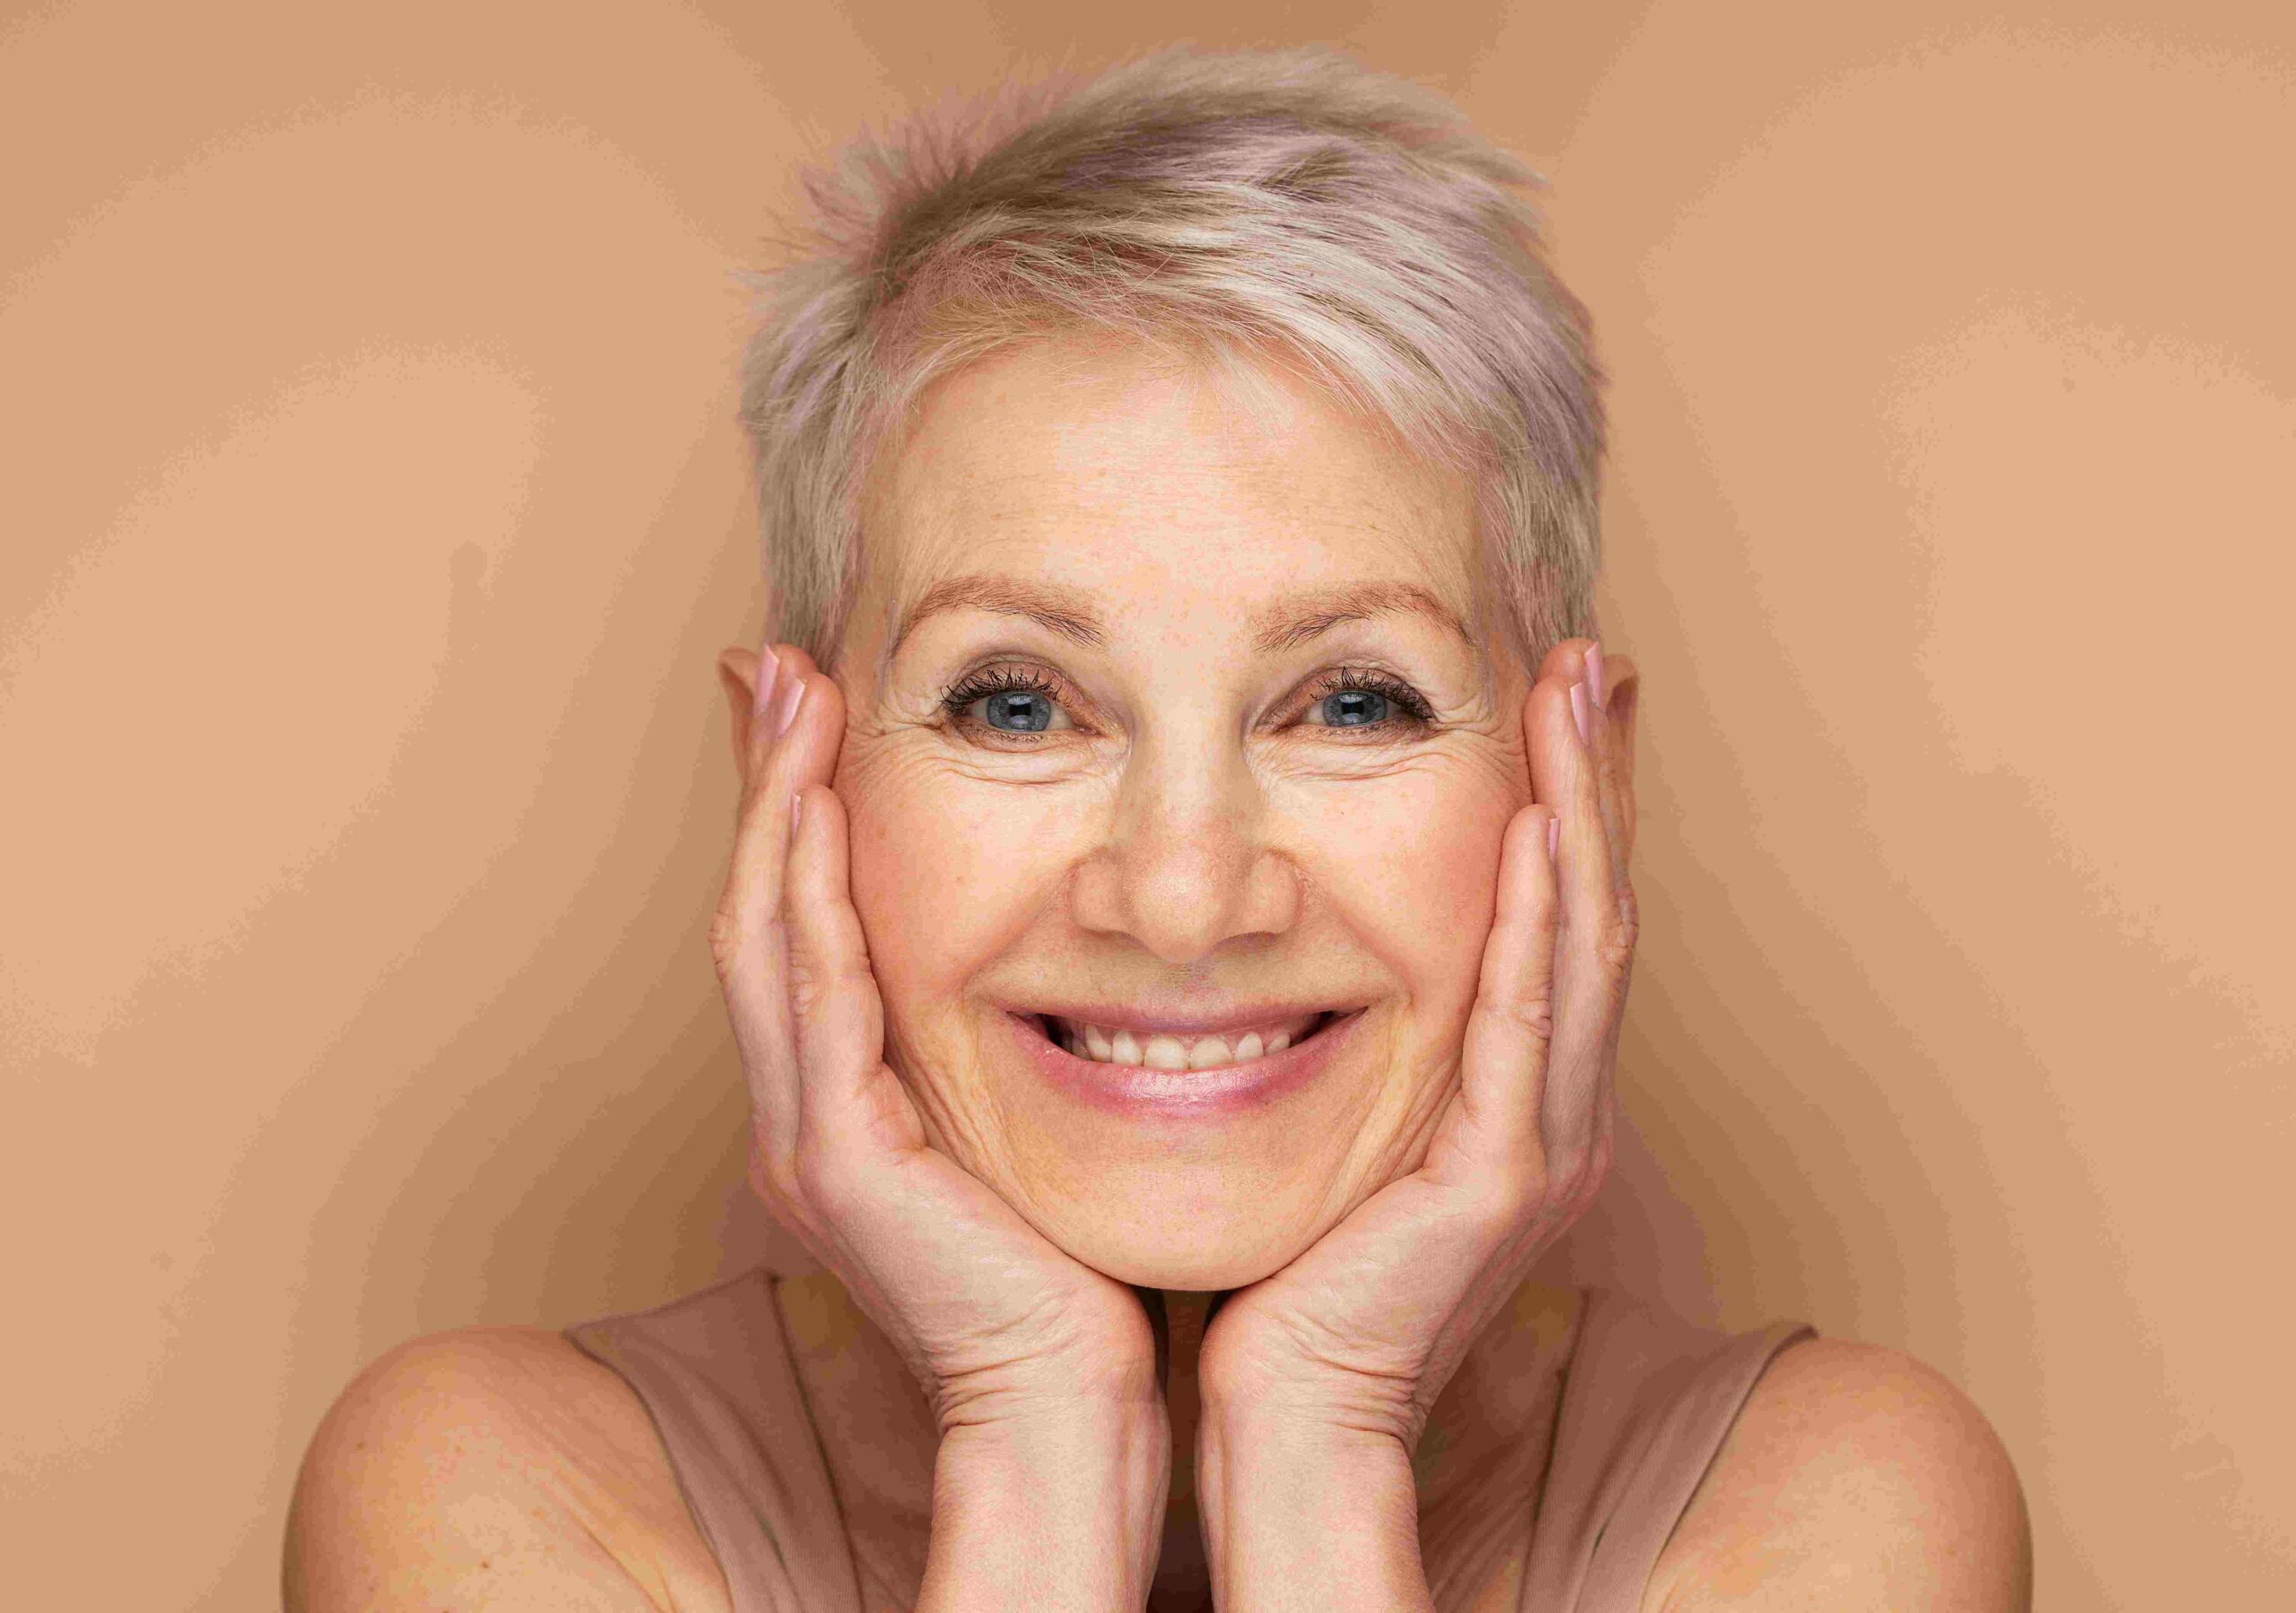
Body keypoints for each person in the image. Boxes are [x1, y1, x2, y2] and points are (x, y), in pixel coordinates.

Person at [284, 45, 2031, 1611]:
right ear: (791, 784)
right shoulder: (489, 1496)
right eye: (1016, 701)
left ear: (1582, 784)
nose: (1185, 893)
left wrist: (1320, 1443)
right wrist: (1031, 1432)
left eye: (1349, 699)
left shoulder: (1832, 1506)